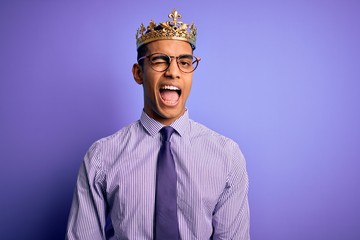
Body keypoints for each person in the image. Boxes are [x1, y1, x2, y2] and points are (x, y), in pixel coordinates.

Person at [66, 9, 250, 240]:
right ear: (138, 73)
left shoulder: (227, 156)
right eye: (160, 60)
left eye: (184, 62)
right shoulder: (101, 157)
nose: (173, 72)